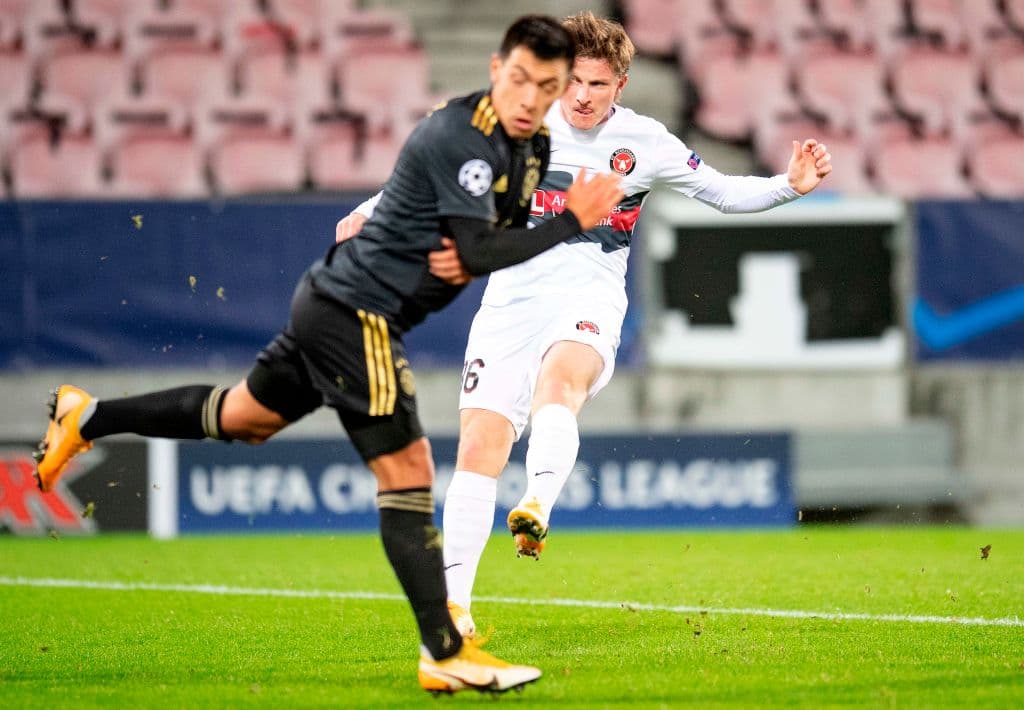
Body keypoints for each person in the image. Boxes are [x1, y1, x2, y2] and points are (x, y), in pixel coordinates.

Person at [31, 15, 624, 696]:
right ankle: (445, 651)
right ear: (496, 70)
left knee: (243, 417)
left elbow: (491, 237)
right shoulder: (462, 137)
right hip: (355, 314)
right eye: (519, 78)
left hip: (332, 302)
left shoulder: (532, 147)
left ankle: (88, 416)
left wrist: (477, 242)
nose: (530, 96)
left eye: (546, 85)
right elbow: (479, 249)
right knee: (409, 472)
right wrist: (567, 222)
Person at [335, 11, 834, 639]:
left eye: (597, 84)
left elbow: (723, 192)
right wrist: (369, 212)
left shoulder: (645, 141)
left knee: (560, 384)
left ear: (620, 84)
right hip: (511, 300)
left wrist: (789, 185)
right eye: (573, 80)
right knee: (479, 445)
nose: (582, 96)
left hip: (589, 294)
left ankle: (537, 502)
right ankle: (455, 611)